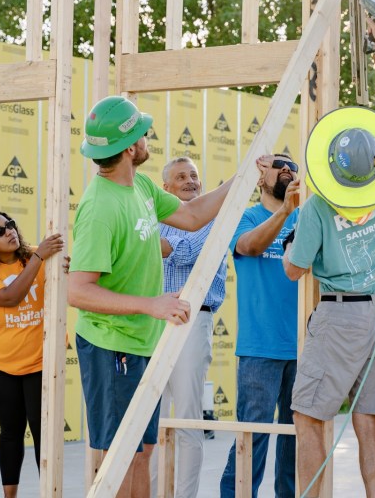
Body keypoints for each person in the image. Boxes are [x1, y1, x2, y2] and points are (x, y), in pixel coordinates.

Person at [68, 95, 268, 498]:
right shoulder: (100, 207)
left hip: (138, 341)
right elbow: (77, 290)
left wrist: (245, 176)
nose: (147, 138)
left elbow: (193, 217)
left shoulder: (138, 185)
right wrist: (151, 304)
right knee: (120, 456)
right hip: (111, 346)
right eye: (142, 134)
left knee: (141, 451)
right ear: (129, 148)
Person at [283, 19, 375, 498]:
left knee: (308, 418)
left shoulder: (315, 206)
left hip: (339, 318)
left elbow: (294, 270)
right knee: (366, 421)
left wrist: (294, 237)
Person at [219, 153, 300, 498]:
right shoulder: (245, 216)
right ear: (260, 178)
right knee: (252, 439)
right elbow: (249, 247)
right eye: (278, 165)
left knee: (296, 444)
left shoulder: (306, 219)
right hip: (259, 349)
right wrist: (285, 213)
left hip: (303, 348)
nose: (286, 169)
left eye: (292, 167)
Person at [0, 210, 64, 498]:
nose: (8, 231)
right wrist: (39, 259)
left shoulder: (37, 255)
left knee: (42, 432)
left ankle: (49, 492)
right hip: (1, 362)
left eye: (9, 225)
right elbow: (10, 298)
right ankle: (10, 496)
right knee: (10, 432)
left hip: (40, 361)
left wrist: (59, 265)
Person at [152, 157, 227, 497]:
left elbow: (181, 251)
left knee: (186, 416)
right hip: (152, 322)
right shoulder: (154, 218)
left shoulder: (210, 216)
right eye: (180, 177)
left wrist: (137, 245)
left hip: (190, 322)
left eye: (194, 175)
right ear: (165, 188)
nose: (189, 181)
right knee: (148, 420)